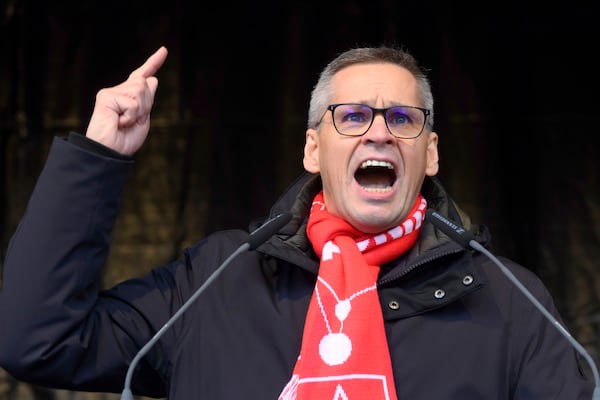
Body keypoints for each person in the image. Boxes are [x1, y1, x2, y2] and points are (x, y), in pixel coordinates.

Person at [0, 44, 594, 399]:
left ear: (430, 152)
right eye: (353, 115)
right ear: (313, 150)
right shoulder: (214, 280)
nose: (379, 131)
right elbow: (38, 341)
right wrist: (99, 156)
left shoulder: (509, 300)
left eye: (403, 118)